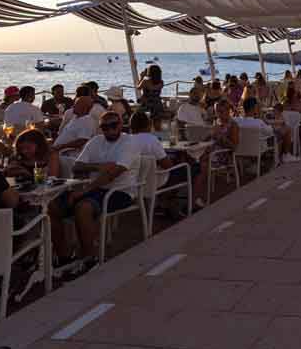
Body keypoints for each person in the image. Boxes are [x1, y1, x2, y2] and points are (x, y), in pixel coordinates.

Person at [49, 112, 137, 276]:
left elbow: (113, 173)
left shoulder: (129, 143)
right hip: (93, 188)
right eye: (105, 127)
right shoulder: (96, 141)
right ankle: (64, 256)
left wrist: (84, 190)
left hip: (120, 191)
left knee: (83, 208)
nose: (110, 130)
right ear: (100, 128)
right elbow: (77, 167)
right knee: (52, 206)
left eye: (114, 125)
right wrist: (98, 167)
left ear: (121, 124)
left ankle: (90, 258)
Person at [123, 110, 206, 211]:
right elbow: (168, 166)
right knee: (197, 168)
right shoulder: (151, 140)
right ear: (148, 125)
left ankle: (165, 201)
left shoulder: (126, 141)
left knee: (180, 163)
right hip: (156, 181)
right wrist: (175, 161)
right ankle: (191, 204)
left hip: (134, 182)